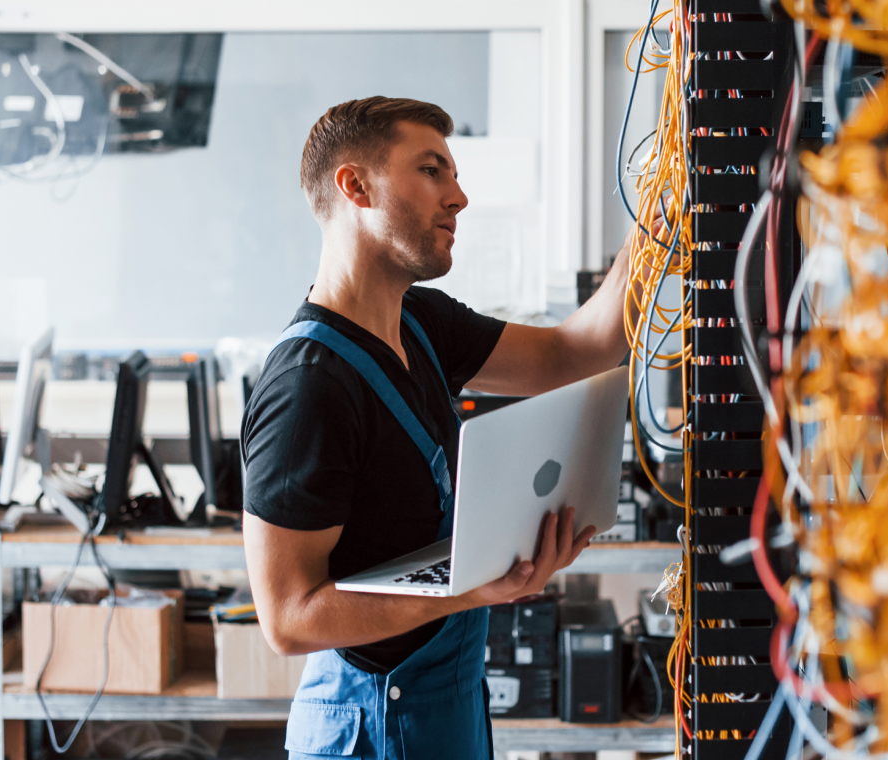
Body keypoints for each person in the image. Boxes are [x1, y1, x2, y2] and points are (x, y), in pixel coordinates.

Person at [242, 96, 638, 759]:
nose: (459, 197)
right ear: (355, 185)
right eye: (432, 171)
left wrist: (653, 232)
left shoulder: (421, 322)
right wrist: (472, 591)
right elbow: (287, 619)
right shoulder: (308, 385)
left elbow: (573, 353)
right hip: (370, 724)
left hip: (444, 701)